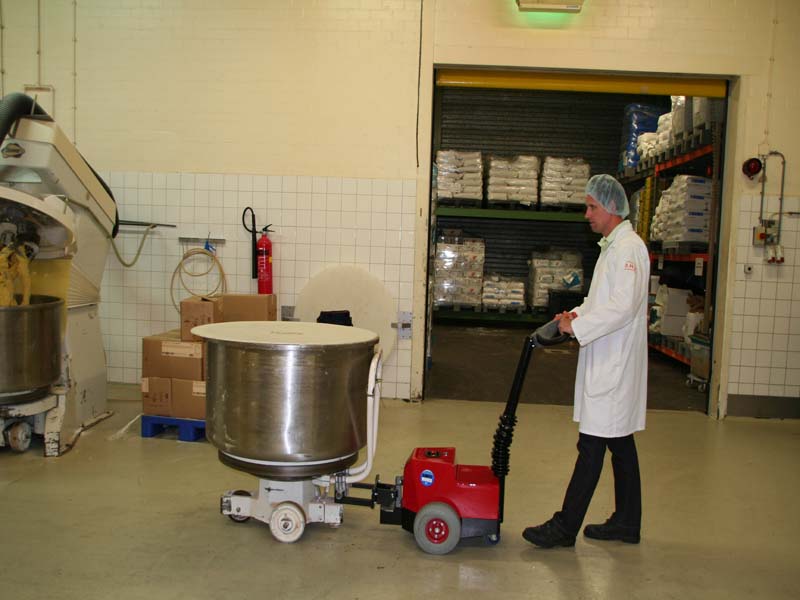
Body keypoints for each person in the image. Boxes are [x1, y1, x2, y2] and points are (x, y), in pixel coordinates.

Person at [522, 174, 650, 548]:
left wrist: (578, 328)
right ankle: (627, 522)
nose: (587, 214)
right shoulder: (613, 248)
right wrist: (574, 316)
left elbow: (623, 308)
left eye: (592, 206)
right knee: (620, 444)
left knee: (592, 446)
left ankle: (565, 527)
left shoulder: (628, 249)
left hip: (614, 364)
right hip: (608, 359)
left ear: (611, 207)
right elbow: (600, 302)